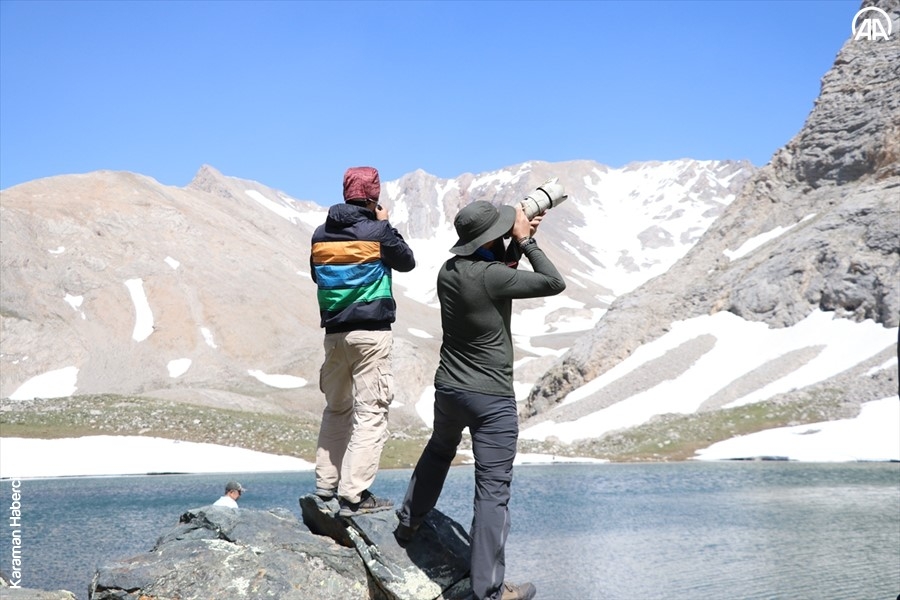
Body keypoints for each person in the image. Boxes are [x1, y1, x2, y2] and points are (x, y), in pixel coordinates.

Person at [395, 200, 565, 600]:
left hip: (450, 389)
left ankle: (408, 522)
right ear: (493, 238)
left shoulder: (448, 271)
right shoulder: (491, 276)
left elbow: (492, 276)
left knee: (439, 451)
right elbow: (552, 282)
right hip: (491, 398)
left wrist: (513, 245)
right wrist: (525, 242)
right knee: (492, 490)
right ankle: (489, 591)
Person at [310, 166, 416, 518]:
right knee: (371, 411)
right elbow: (407, 262)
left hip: (334, 335)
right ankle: (353, 494)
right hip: (370, 334)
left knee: (336, 408)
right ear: (374, 196)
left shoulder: (320, 234)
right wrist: (387, 225)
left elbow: (316, 274)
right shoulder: (378, 231)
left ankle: (326, 484)